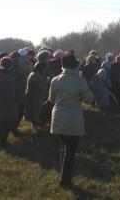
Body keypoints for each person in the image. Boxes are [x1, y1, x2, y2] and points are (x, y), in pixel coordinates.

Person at [49, 52, 94, 188]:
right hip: (73, 118)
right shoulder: (80, 81)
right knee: (70, 151)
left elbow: (51, 99)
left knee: (64, 148)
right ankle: (65, 180)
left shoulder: (55, 80)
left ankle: (63, 175)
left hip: (58, 116)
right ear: (75, 66)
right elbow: (89, 99)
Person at [0, 56, 17, 148]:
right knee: (6, 121)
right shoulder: (9, 77)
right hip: (6, 99)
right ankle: (3, 141)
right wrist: (12, 105)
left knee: (0, 119)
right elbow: (10, 93)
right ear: (10, 65)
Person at [25, 62, 49, 131]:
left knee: (36, 111)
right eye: (44, 68)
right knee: (35, 112)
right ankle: (35, 127)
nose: (45, 70)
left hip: (36, 96)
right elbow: (41, 85)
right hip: (34, 97)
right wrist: (47, 80)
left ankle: (36, 125)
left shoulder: (35, 74)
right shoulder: (34, 75)